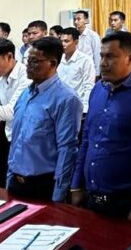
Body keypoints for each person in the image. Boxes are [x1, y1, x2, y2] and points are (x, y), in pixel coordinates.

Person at [70, 32, 131, 220]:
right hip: (91, 196)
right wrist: (76, 185)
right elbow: (87, 139)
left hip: (126, 202)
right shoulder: (98, 89)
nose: (103, 63)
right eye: (102, 56)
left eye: (110, 57)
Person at [6, 36, 82, 202]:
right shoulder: (26, 93)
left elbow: (67, 149)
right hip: (16, 180)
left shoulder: (66, 99)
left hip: (42, 184)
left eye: (35, 61)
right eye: (28, 60)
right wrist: (10, 174)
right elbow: (17, 138)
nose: (28, 66)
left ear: (53, 63)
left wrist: (58, 194)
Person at [58, 27, 96, 115]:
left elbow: (88, 86)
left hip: (76, 106)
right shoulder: (59, 59)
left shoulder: (85, 60)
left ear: (76, 42)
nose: (63, 44)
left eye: (66, 41)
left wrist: (85, 109)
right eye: (61, 41)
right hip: (60, 105)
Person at [73, 9, 102, 74]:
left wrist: (97, 73)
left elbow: (97, 55)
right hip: (76, 70)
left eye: (78, 19)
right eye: (74, 19)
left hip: (89, 70)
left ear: (86, 20)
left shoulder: (93, 36)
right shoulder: (73, 35)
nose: (75, 22)